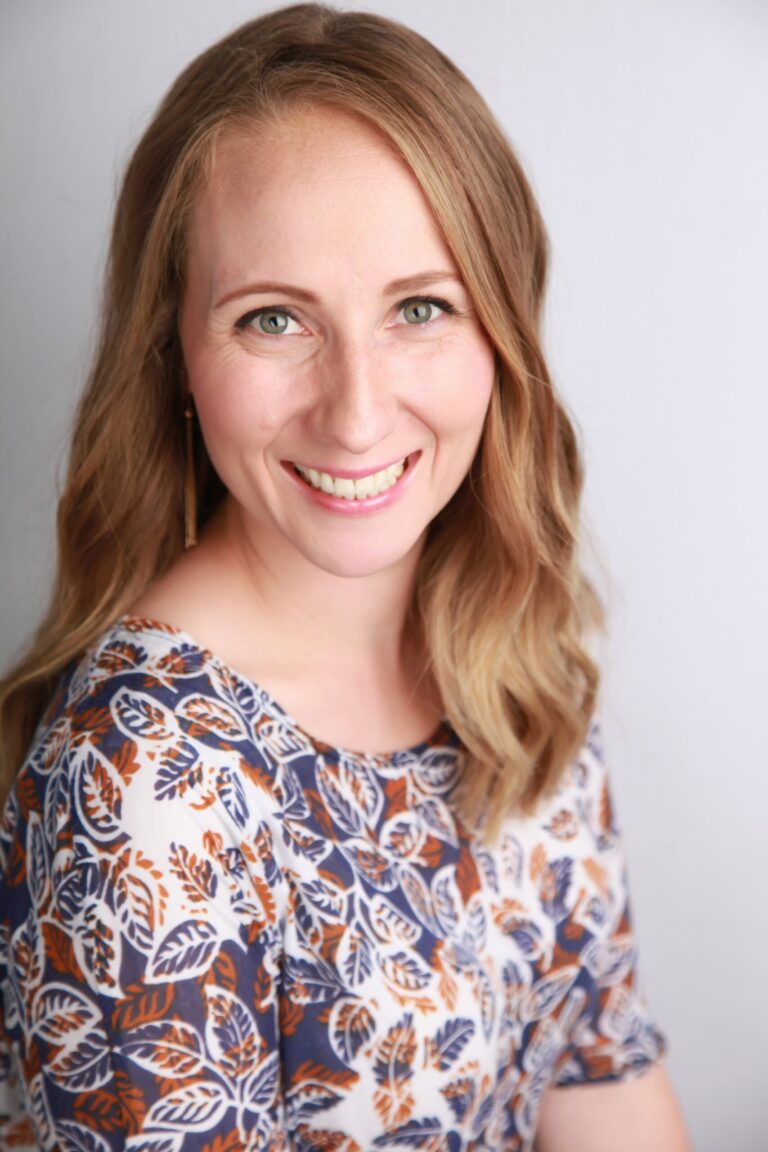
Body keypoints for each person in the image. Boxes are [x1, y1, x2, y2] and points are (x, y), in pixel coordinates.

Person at [0, 5, 689, 1149]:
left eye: (420, 308)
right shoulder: (145, 781)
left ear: (500, 332)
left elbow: (606, 1088)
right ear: (174, 355)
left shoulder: (511, 659)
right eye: (274, 319)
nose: (358, 413)